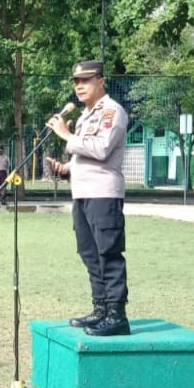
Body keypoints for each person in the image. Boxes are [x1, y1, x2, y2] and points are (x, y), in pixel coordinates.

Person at [45, 60, 131, 337]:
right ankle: (100, 309)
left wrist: (67, 135)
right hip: (82, 193)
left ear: (101, 81)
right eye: (76, 82)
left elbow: (102, 149)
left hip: (103, 193)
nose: (79, 86)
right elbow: (84, 157)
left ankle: (117, 315)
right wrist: (66, 168)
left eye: (86, 80)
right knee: (89, 253)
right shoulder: (85, 116)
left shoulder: (112, 112)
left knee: (108, 253)